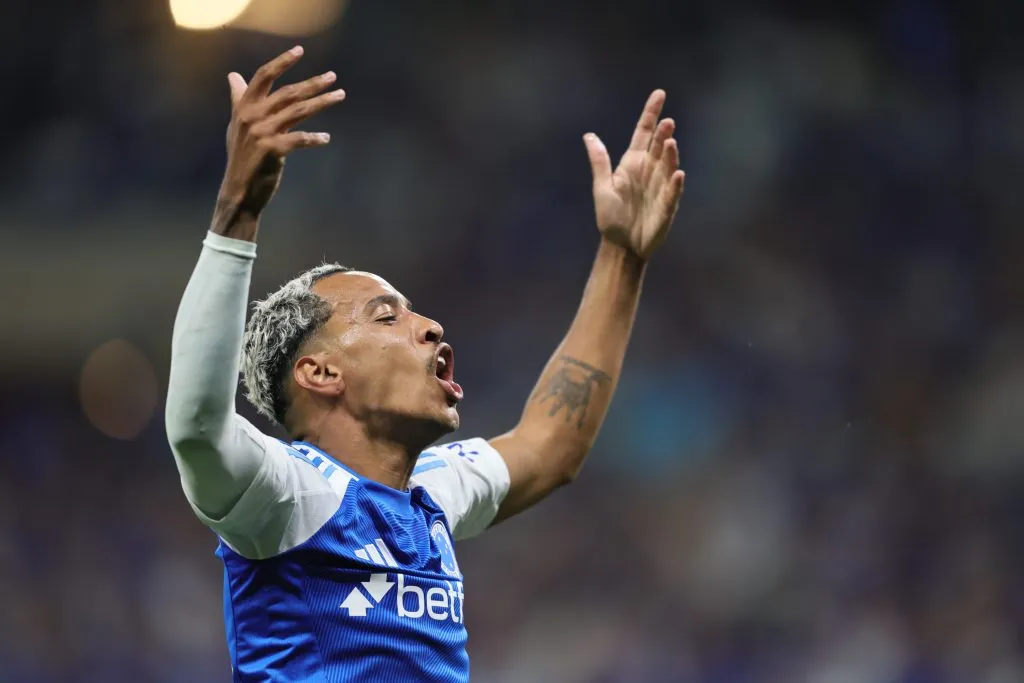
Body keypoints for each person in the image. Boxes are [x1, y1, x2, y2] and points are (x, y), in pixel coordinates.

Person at [165, 45, 685, 683]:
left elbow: (552, 445)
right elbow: (196, 424)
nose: (431, 325)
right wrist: (237, 213)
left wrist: (622, 256)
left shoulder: (433, 492)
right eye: (387, 316)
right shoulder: (282, 495)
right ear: (320, 373)